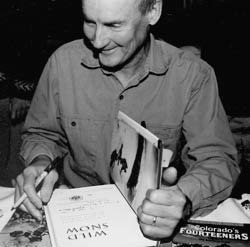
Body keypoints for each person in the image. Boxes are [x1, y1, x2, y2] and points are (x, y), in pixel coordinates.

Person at [13, 0, 239, 241]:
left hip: (151, 219)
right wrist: (40, 161)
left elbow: (217, 159)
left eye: (114, 25)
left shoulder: (193, 75)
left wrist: (182, 198)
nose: (97, 40)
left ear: (153, 11)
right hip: (75, 212)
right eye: (90, 22)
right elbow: (42, 133)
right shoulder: (62, 62)